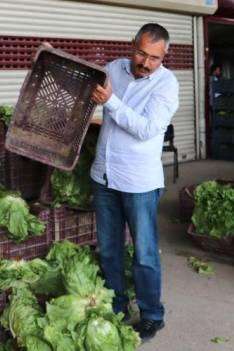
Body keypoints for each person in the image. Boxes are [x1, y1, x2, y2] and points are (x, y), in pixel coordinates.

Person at [90, 23, 179, 342]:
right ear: (132, 46)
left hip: (139, 182)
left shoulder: (167, 85)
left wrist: (111, 102)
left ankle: (152, 314)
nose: (146, 62)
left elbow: (146, 128)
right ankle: (117, 306)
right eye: (141, 53)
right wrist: (49, 55)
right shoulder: (113, 69)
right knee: (110, 249)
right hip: (104, 176)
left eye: (154, 57)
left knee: (144, 253)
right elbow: (84, 79)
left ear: (164, 55)